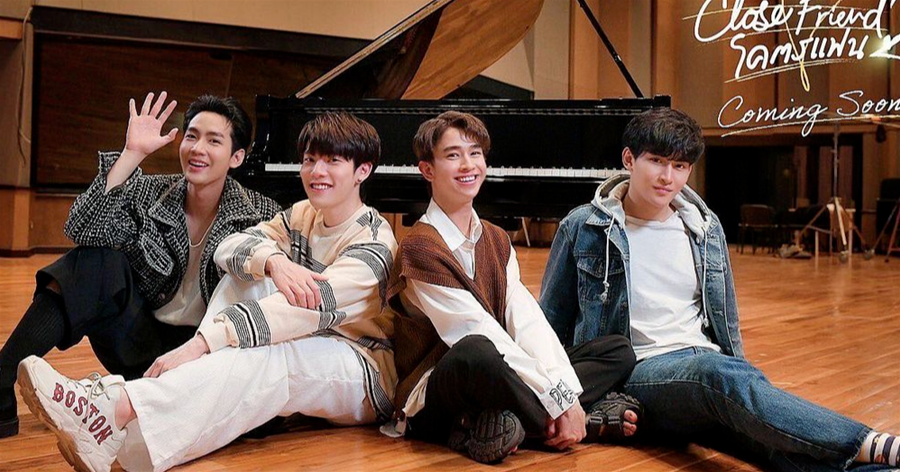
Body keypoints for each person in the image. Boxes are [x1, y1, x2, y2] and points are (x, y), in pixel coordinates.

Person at [16, 111, 399, 472]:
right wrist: (273, 262)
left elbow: (306, 310)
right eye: (310, 160)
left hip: (359, 365)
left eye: (333, 162)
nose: (317, 172)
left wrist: (202, 344)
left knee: (274, 355)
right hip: (301, 341)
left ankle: (116, 403)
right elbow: (230, 247)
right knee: (247, 275)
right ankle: (118, 441)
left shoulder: (375, 242)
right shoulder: (302, 215)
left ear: (362, 170)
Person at [539, 107, 900, 471]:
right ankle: (878, 444)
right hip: (641, 373)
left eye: (680, 166)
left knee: (764, 440)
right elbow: (549, 323)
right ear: (629, 159)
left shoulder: (705, 228)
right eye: (657, 161)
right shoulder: (584, 226)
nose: (667, 177)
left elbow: (728, 317)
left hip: (708, 367)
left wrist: (742, 381)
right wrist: (565, 400)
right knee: (717, 375)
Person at [0, 92, 280, 438]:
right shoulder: (150, 193)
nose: (197, 149)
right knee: (97, 259)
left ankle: (145, 405)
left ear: (236, 157)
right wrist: (131, 154)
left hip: (205, 357)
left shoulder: (260, 214)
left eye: (213, 141)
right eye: (191, 136)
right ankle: (1, 379)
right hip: (140, 345)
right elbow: (81, 229)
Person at [386, 111, 639, 465]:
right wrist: (558, 400)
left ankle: (503, 423)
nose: (468, 165)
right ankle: (580, 423)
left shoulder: (496, 238)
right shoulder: (420, 246)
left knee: (617, 350)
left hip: (501, 375)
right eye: (453, 155)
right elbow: (475, 329)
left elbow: (526, 319)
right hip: (438, 389)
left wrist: (563, 392)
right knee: (478, 351)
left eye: (475, 153)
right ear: (427, 169)